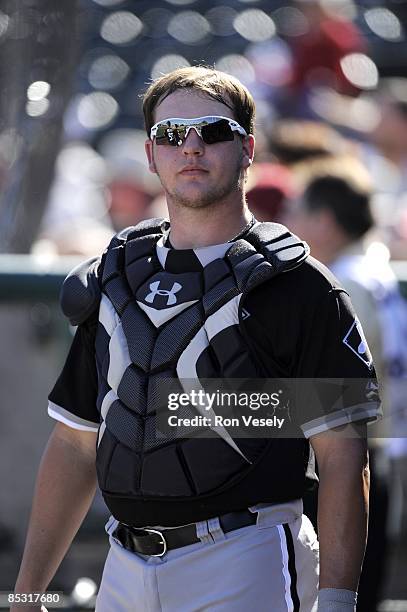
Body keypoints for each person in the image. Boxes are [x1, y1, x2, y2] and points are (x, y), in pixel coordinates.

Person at [13, 67, 381, 612]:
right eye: (171, 134)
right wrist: (25, 594)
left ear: (248, 147)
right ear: (149, 153)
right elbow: (73, 444)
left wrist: (337, 601)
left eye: (211, 130)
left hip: (246, 555)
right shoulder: (116, 277)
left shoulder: (298, 286)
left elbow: (343, 455)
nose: (190, 147)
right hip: (124, 564)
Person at [286, 158, 407, 611]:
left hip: (348, 465)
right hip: (373, 455)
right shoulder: (373, 271)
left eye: (298, 209)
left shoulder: (345, 281)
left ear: (325, 220)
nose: (289, 220)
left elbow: (335, 396)